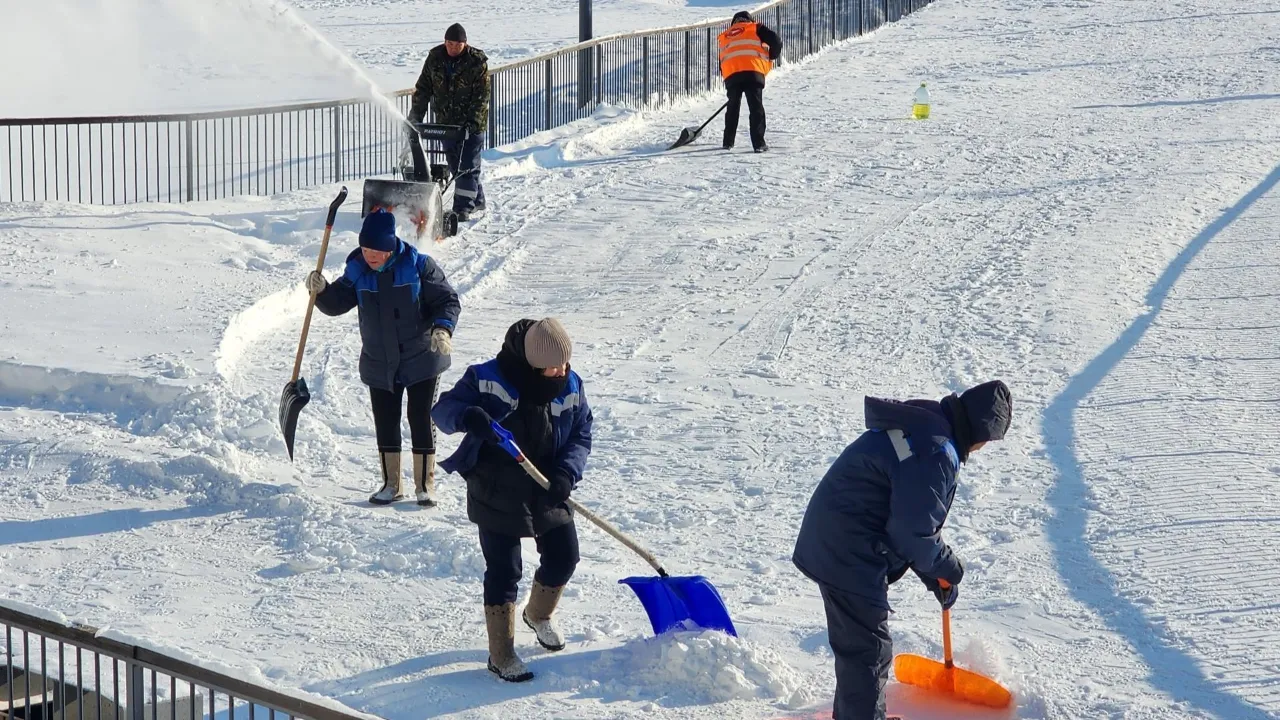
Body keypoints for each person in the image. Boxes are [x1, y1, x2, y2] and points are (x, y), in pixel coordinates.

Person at [792, 381, 1013, 720]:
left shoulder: (927, 428)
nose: (984, 447)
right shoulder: (935, 451)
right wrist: (948, 568)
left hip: (841, 537)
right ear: (982, 428)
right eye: (990, 438)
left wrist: (933, 574)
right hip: (848, 546)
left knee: (862, 646)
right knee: (868, 649)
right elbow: (912, 533)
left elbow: (909, 523)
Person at [432, 318, 593, 683]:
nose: (562, 371)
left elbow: (581, 433)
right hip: (496, 486)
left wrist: (567, 473)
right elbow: (442, 411)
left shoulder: (571, 384)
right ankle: (501, 654)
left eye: (565, 363)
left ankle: (538, 615)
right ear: (532, 364)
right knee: (505, 570)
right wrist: (467, 415)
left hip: (546, 483)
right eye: (553, 367)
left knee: (565, 556)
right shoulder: (488, 378)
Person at [307, 209, 461, 507]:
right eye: (365, 249)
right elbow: (338, 302)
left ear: (390, 247)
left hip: (422, 356)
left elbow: (447, 300)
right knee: (386, 419)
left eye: (375, 250)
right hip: (379, 359)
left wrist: (443, 329)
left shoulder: (418, 266)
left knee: (419, 416)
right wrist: (322, 291)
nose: (370, 256)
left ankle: (425, 485)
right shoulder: (358, 269)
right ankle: (391, 485)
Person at [408, 23, 491, 221]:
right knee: (455, 165)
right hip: (446, 124)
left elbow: (482, 96)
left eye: (457, 44)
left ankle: (462, 208)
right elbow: (423, 89)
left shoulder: (476, 62)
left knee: (467, 165)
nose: (453, 48)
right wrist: (415, 117)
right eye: (449, 43)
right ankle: (477, 199)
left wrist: (473, 121)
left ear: (465, 43)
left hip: (472, 126)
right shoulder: (435, 59)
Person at [718, 11, 782, 152]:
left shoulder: (726, 35)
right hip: (753, 71)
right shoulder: (755, 28)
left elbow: (722, 59)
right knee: (755, 107)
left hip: (732, 73)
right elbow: (776, 41)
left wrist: (728, 77)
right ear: (749, 20)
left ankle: (727, 142)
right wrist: (771, 56)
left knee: (732, 107)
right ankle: (759, 144)